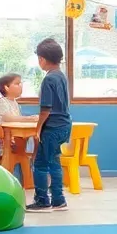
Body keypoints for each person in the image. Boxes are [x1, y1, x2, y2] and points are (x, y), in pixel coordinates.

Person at [26, 38, 71, 212]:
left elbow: (46, 109)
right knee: (54, 162)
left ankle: (43, 200)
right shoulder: (61, 76)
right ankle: (58, 200)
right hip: (64, 125)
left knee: (40, 164)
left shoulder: (48, 79)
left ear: (42, 59)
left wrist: (38, 129)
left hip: (51, 127)